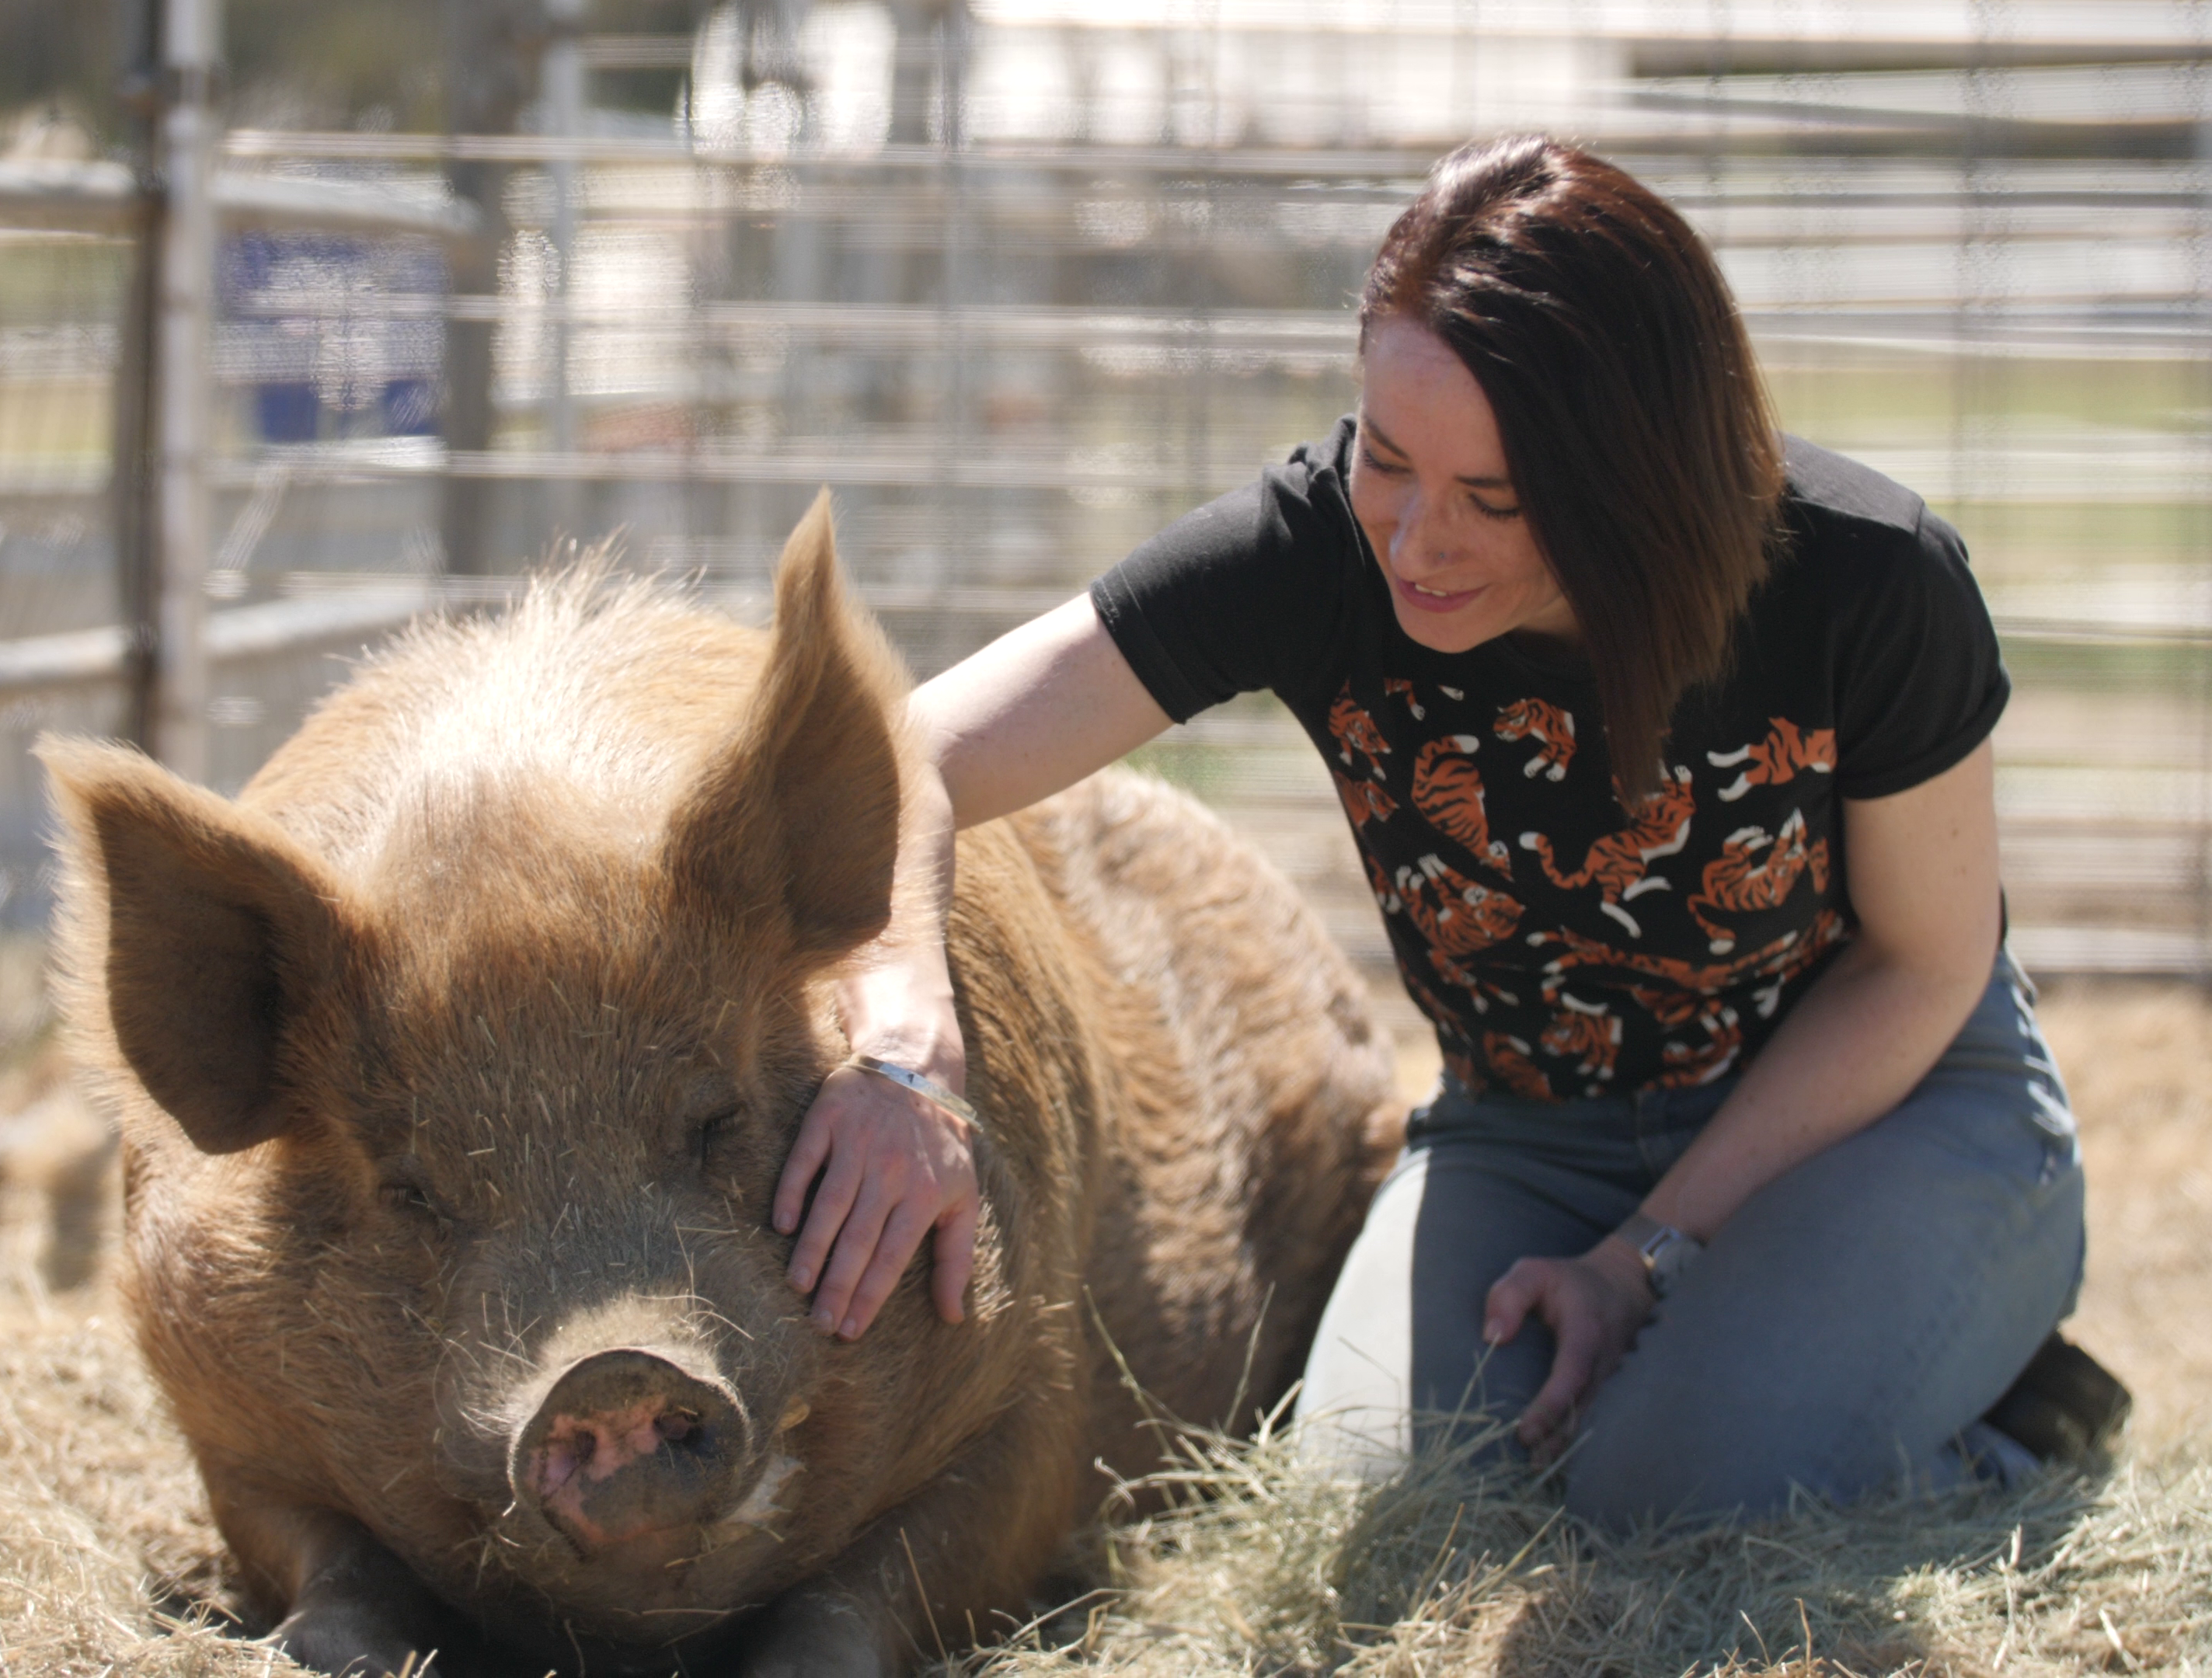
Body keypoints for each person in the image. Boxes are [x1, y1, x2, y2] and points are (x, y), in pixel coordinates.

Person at [766, 134, 2113, 1529]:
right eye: (1392, 461)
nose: (1415, 542)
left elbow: (1924, 967)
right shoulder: (1310, 554)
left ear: (1635, 480)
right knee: (1388, 1517)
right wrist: (908, 1043)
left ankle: (1992, 1418)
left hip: (1877, 1110)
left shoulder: (1868, 579)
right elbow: (899, 752)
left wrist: (1642, 1259)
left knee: (1670, 1496)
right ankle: (1785, 1378)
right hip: (1531, 1135)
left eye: (1497, 500)